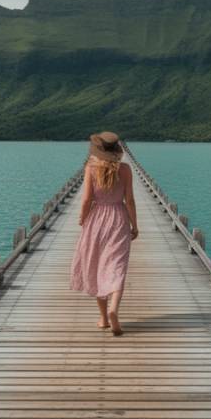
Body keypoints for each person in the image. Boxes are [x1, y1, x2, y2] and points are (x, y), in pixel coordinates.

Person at [69, 131, 139, 336]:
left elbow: (86, 200)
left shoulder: (90, 169)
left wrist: (83, 219)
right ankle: (114, 309)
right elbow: (130, 201)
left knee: (98, 265)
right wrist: (134, 225)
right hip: (118, 218)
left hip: (97, 219)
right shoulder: (125, 170)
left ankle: (103, 319)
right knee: (117, 266)